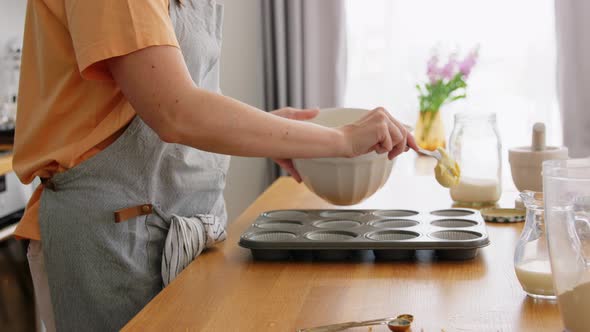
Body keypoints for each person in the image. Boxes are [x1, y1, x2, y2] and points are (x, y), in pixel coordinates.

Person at [13, 0, 418, 330]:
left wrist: (271, 130)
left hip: (178, 229)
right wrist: (341, 140)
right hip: (112, 244)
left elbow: (172, 99)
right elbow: (176, 112)